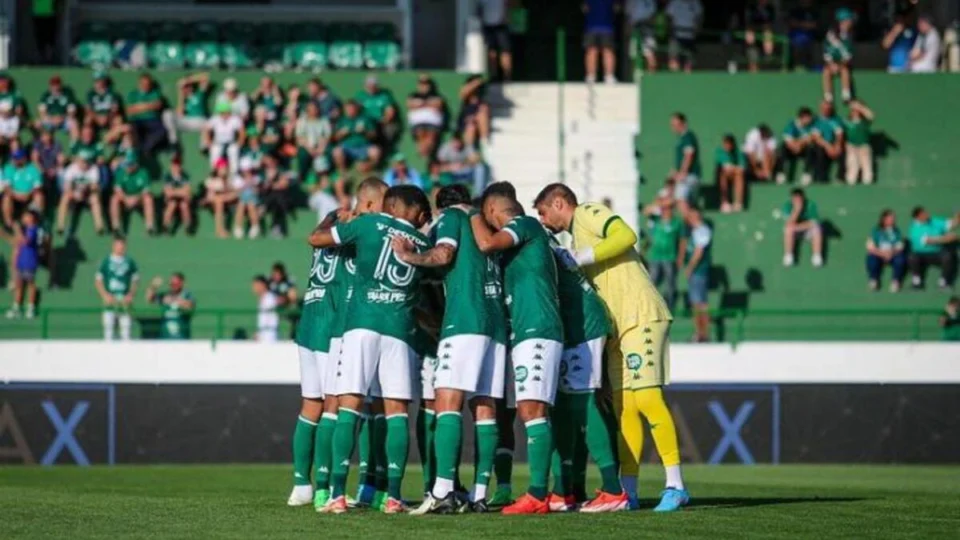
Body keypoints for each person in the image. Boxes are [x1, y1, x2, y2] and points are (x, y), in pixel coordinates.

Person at [533, 183, 688, 512]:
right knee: (624, 409)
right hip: (618, 328)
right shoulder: (575, 238)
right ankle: (627, 492)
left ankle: (675, 485)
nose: (544, 221)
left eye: (544, 212)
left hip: (640, 314)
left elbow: (626, 234)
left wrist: (582, 256)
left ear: (559, 203)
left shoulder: (588, 212)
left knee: (647, 398)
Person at [309, 185, 433, 515]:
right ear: (416, 212)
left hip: (361, 325)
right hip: (400, 332)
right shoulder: (424, 243)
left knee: (348, 406)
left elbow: (317, 239)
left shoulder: (367, 225)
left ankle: (335, 493)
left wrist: (337, 219)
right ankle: (392, 496)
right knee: (396, 413)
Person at [394, 185, 507, 514]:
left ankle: (443, 490)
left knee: (448, 402)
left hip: (464, 320)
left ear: (440, 208)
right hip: (496, 323)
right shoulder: (486, 225)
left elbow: (443, 255)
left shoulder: (451, 218)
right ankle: (480, 494)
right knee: (485, 407)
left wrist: (409, 255)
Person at [468, 188, 563, 515]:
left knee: (533, 409)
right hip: (524, 332)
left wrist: (471, 215)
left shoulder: (523, 224)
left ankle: (538, 494)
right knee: (528, 410)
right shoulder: (522, 243)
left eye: (487, 216)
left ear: (494, 210)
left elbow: (485, 244)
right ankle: (551, 492)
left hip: (538, 328)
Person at [303, 178, 388, 510]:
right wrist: (333, 219)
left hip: (374, 325)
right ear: (367, 205)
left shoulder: (369, 228)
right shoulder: (352, 227)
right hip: (344, 328)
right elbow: (315, 241)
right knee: (336, 405)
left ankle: (368, 487)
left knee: (370, 406)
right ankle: (324, 487)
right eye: (383, 205)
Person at [643, 194, 684, 310]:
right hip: (655, 256)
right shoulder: (655, 220)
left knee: (670, 283)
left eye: (669, 207)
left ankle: (670, 307)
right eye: (665, 208)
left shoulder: (677, 222)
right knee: (652, 282)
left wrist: (680, 257)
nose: (667, 210)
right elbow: (646, 211)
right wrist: (660, 204)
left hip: (669, 257)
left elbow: (682, 241)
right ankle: (652, 306)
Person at [94, 236, 139, 340]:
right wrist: (104, 295)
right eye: (118, 245)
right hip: (110, 301)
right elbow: (98, 280)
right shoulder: (106, 261)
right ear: (113, 246)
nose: (121, 248)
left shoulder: (130, 261)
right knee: (108, 334)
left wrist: (131, 295)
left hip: (124, 302)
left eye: (122, 246)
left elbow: (135, 279)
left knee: (126, 333)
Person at [907, 207, 957, 289]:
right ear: (918, 217)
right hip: (920, 255)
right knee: (912, 257)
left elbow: (951, 224)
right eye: (923, 214)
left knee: (947, 257)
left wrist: (957, 217)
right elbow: (930, 241)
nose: (926, 214)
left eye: (925, 212)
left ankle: (943, 282)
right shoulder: (914, 228)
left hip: (936, 253)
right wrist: (947, 238)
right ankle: (916, 282)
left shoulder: (933, 221)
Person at [5, 210, 42, 319]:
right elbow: (17, 242)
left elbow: (26, 241)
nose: (24, 218)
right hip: (21, 262)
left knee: (31, 284)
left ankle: (31, 308)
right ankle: (17, 307)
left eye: (27, 216)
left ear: (32, 218)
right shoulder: (25, 230)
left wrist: (17, 229)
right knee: (19, 285)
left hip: (30, 262)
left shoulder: (33, 229)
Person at [682, 207, 711, 342]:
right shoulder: (692, 231)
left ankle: (702, 333)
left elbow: (698, 252)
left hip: (699, 271)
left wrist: (690, 267)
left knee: (700, 304)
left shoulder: (702, 230)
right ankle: (699, 333)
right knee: (696, 304)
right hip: (696, 272)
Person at [57, 155, 104, 235]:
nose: (84, 164)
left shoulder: (93, 168)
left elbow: (94, 186)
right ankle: (60, 226)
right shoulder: (71, 169)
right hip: (74, 194)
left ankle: (99, 226)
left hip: (87, 194)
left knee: (95, 199)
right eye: (82, 162)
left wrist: (86, 190)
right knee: (64, 198)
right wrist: (74, 194)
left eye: (86, 162)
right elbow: (67, 187)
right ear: (78, 161)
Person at [332, 100, 380, 175]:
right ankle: (343, 171)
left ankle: (368, 167)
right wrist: (341, 133)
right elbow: (335, 138)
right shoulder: (342, 120)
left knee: (376, 151)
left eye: (352, 109)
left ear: (356, 109)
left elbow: (374, 135)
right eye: (348, 109)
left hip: (364, 147)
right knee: (336, 151)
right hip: (347, 148)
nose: (350, 111)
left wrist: (364, 132)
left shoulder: (365, 119)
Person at [110, 157, 155, 236]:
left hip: (138, 198)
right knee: (114, 199)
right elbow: (117, 189)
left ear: (136, 165)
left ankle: (149, 226)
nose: (128, 168)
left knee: (148, 199)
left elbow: (146, 191)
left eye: (130, 165)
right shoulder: (120, 172)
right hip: (125, 197)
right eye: (126, 165)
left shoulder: (143, 172)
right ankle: (116, 226)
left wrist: (136, 198)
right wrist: (125, 198)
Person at [2, 148, 44, 229]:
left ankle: (36, 223)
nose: (13, 160)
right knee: (6, 197)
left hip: (29, 196)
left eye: (16, 158)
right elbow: (7, 187)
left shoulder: (33, 168)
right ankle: (8, 224)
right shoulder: (8, 168)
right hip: (14, 196)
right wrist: (16, 195)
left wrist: (28, 194)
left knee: (39, 196)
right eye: (13, 158)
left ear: (23, 159)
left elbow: (37, 186)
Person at [126, 73, 168, 154]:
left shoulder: (155, 93)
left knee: (162, 131)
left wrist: (139, 106)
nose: (145, 86)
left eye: (148, 84)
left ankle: (145, 149)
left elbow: (158, 105)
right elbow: (129, 109)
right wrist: (149, 105)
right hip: (137, 120)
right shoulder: (133, 94)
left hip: (152, 120)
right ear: (139, 83)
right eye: (143, 84)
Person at [865, 209, 906, 293]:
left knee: (900, 260)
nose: (893, 220)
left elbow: (900, 246)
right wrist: (882, 254)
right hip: (879, 254)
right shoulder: (875, 230)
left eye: (893, 218)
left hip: (892, 254)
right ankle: (873, 280)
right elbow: (870, 247)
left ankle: (895, 282)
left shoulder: (896, 231)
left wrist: (891, 253)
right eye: (890, 218)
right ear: (884, 219)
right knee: (871, 259)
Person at [145, 272, 195, 339]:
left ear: (181, 283)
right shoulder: (166, 295)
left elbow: (190, 305)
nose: (173, 285)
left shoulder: (187, 294)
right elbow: (149, 299)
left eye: (175, 283)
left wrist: (173, 301)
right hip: (165, 337)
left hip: (181, 337)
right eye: (171, 283)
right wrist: (153, 286)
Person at [355, 75, 400, 150]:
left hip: (381, 122)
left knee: (389, 130)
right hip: (367, 123)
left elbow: (390, 112)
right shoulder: (360, 96)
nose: (371, 87)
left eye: (373, 85)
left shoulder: (384, 96)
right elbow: (356, 110)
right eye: (369, 85)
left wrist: (384, 120)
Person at [407, 75, 446, 158]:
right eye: (422, 84)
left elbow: (438, 105)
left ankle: (428, 153)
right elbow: (410, 104)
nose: (424, 86)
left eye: (426, 84)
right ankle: (423, 152)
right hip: (417, 123)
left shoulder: (437, 96)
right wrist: (429, 104)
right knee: (420, 133)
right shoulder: (413, 95)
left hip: (433, 123)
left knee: (430, 137)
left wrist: (420, 104)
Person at [782, 188, 823, 268]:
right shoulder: (787, 206)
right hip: (794, 232)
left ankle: (816, 257)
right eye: (795, 199)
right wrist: (796, 211)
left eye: (799, 198)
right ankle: (788, 257)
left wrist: (797, 227)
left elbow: (814, 222)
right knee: (788, 230)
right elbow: (788, 224)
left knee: (817, 229)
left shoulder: (811, 205)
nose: (797, 201)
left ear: (803, 198)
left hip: (807, 231)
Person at [669, 112, 700, 215]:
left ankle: (698, 228)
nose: (674, 127)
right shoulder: (683, 138)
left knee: (680, 200)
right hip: (687, 175)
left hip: (688, 176)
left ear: (684, 124)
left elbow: (689, 155)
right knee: (687, 204)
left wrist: (682, 173)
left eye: (676, 124)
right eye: (672, 125)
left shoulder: (688, 137)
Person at [822, 8, 855, 103]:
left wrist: (841, 64)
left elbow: (849, 55)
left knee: (845, 70)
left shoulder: (849, 37)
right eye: (848, 20)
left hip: (843, 64)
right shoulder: (830, 35)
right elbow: (826, 51)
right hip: (831, 64)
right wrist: (831, 64)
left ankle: (846, 94)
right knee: (826, 71)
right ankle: (828, 95)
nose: (850, 23)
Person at [775, 107, 815, 185]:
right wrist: (797, 145)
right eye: (808, 118)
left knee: (810, 149)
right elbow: (788, 141)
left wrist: (799, 144)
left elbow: (810, 139)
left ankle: (806, 175)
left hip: (803, 149)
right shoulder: (791, 124)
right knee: (783, 148)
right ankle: (781, 174)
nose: (810, 120)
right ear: (802, 117)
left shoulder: (811, 126)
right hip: (792, 149)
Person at [295, 101, 332, 183]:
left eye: (315, 109)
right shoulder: (302, 121)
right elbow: (300, 137)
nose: (314, 111)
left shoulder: (324, 120)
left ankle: (323, 176)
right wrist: (310, 149)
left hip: (321, 146)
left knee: (326, 154)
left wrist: (320, 149)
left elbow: (327, 136)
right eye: (311, 109)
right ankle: (302, 175)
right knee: (303, 155)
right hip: (307, 146)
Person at [203, 101, 245, 173]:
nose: (226, 113)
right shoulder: (214, 119)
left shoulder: (235, 119)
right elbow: (206, 130)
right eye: (224, 112)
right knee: (214, 151)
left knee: (233, 151)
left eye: (228, 112)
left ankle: (234, 174)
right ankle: (214, 173)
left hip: (231, 142)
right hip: (218, 142)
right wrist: (208, 142)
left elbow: (242, 131)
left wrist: (240, 143)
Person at [583, 0, 619, 83]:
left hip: (594, 27)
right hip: (604, 28)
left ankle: (592, 76)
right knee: (603, 51)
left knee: (594, 51)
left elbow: (585, 8)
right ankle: (607, 76)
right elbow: (616, 9)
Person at [261, 154, 296, 238]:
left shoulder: (280, 171)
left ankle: (274, 224)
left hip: (278, 199)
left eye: (272, 162)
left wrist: (273, 183)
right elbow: (264, 187)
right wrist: (272, 181)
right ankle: (286, 213)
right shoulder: (262, 172)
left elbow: (284, 184)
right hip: (266, 198)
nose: (271, 164)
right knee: (276, 196)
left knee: (277, 197)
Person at [201, 158, 238, 239]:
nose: (223, 170)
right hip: (213, 201)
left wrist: (225, 182)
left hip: (226, 199)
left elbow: (235, 193)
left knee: (221, 199)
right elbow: (209, 196)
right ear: (217, 169)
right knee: (219, 201)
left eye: (225, 168)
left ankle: (225, 230)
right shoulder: (211, 179)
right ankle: (219, 230)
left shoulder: (230, 179)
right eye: (221, 168)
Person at [810, 100, 844, 183]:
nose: (826, 110)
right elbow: (816, 137)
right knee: (818, 151)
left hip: (833, 145)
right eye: (824, 108)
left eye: (828, 108)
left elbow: (839, 134)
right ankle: (820, 178)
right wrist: (828, 146)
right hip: (821, 145)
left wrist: (837, 146)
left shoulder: (836, 120)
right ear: (821, 108)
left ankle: (840, 177)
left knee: (843, 151)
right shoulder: (816, 120)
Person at [480, 0, 513, 81]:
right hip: (489, 25)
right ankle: (496, 76)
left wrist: (507, 16)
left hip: (499, 24)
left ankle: (506, 75)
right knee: (493, 52)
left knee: (504, 52)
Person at [666, 0, 702, 72]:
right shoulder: (674, 2)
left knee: (689, 61)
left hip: (690, 37)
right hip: (676, 36)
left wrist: (697, 28)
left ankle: (688, 80)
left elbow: (699, 17)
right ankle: (674, 78)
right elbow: (669, 17)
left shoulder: (696, 3)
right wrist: (670, 29)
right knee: (673, 59)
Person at [844, 100, 875, 186]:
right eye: (853, 110)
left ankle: (867, 182)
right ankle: (851, 182)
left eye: (857, 110)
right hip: (851, 146)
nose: (855, 112)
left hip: (864, 146)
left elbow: (871, 115)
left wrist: (860, 107)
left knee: (866, 164)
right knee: (852, 164)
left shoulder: (865, 122)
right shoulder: (847, 122)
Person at [715, 133, 746, 213]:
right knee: (723, 174)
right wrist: (735, 169)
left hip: (735, 175)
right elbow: (726, 168)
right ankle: (724, 203)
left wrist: (735, 169)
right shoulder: (719, 152)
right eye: (725, 144)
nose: (727, 146)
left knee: (739, 176)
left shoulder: (738, 152)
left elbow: (742, 169)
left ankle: (738, 203)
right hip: (722, 176)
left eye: (729, 144)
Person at [232, 158, 262, 239]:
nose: (246, 172)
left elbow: (257, 192)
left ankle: (255, 227)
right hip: (241, 200)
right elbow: (236, 192)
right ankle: (238, 228)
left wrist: (252, 184)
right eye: (245, 170)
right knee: (241, 205)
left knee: (250, 204)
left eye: (248, 169)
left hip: (254, 199)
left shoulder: (256, 178)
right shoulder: (237, 178)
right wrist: (244, 184)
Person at [457, 75, 491, 147]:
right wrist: (476, 82)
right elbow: (463, 93)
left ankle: (484, 140)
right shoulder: (466, 98)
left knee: (483, 111)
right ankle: (469, 149)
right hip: (467, 119)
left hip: (479, 118)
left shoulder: (482, 103)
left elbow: (484, 111)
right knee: (471, 126)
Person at [161, 157, 192, 234]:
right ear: (171, 166)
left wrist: (174, 191)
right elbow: (168, 192)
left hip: (182, 199)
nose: (175, 167)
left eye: (177, 165)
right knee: (172, 204)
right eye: (174, 165)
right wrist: (180, 191)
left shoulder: (185, 175)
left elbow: (187, 191)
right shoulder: (167, 176)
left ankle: (188, 227)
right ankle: (165, 226)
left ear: (180, 166)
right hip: (170, 199)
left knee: (184, 205)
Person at [744, 0, 776, 72]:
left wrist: (764, 27)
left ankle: (768, 55)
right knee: (750, 37)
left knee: (768, 34)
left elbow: (770, 23)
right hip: (753, 32)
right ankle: (753, 69)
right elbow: (749, 23)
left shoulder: (770, 8)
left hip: (766, 31)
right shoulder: (751, 8)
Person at [627, 0, 660, 71]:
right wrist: (629, 29)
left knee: (650, 54)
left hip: (647, 30)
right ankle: (637, 77)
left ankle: (651, 78)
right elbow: (629, 16)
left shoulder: (651, 2)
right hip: (634, 31)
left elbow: (653, 16)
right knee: (634, 55)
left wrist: (645, 22)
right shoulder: (630, 1)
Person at [786, 0, 818, 70]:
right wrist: (805, 25)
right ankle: (794, 66)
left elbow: (814, 25)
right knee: (795, 42)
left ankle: (808, 66)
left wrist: (800, 24)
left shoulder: (813, 11)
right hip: (796, 35)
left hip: (810, 36)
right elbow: (792, 23)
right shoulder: (795, 11)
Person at [251, 275, 280, 342]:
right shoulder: (263, 299)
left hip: (269, 337)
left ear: (262, 285)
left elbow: (270, 319)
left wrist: (260, 334)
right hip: (263, 337)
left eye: (256, 285)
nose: (254, 288)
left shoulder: (269, 298)